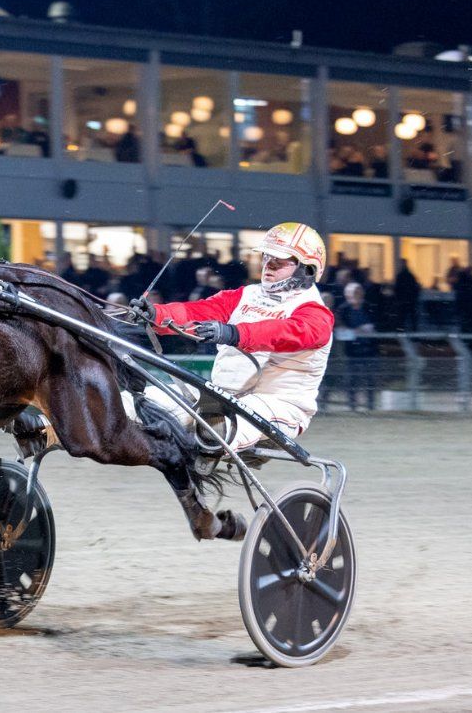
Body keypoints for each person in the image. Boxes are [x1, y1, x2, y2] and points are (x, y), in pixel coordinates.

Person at [138, 222, 334, 541]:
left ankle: (205, 446)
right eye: (266, 258)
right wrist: (156, 315)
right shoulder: (246, 295)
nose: (267, 266)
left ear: (307, 270)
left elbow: (284, 334)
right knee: (149, 401)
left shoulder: (316, 314)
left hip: (279, 405)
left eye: (279, 261)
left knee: (216, 425)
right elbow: (199, 310)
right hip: (223, 394)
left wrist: (235, 333)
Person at [333, 281, 378, 411]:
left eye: (358, 292)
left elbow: (376, 324)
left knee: (370, 380)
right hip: (351, 351)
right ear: (347, 295)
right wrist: (356, 331)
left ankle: (370, 405)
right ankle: (352, 406)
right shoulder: (343, 310)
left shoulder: (369, 307)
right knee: (352, 380)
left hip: (369, 350)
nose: (356, 295)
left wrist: (367, 330)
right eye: (353, 293)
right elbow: (340, 329)